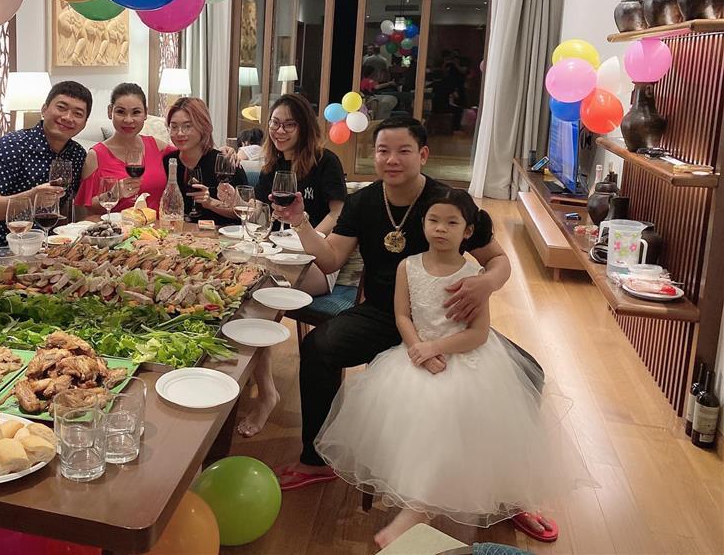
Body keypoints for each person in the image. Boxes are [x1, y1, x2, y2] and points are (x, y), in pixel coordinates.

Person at [269, 114, 558, 541]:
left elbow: (498, 260)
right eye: (382, 150)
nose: (391, 159)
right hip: (384, 313)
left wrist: (485, 284)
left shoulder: (448, 202)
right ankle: (315, 460)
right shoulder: (363, 202)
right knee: (319, 347)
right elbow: (329, 260)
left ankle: (507, 494)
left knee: (528, 373)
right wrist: (299, 222)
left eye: (403, 150)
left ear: (423, 154)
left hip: (444, 321)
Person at [315, 189, 592, 548]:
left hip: (467, 357)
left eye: (451, 223)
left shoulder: (473, 273)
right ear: (422, 224)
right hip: (416, 355)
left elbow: (478, 333)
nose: (440, 229)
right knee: (425, 417)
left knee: (457, 412)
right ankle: (417, 509)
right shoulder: (407, 266)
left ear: (468, 231)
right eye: (433, 221)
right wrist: (418, 349)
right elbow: (402, 315)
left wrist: (435, 348)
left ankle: (422, 512)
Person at [220, 93, 347, 438]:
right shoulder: (271, 166)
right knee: (244, 292)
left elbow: (338, 212)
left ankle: (265, 394)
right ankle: (259, 383)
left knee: (256, 294)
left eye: (289, 124)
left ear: (304, 127)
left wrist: (310, 236)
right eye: (275, 123)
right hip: (279, 254)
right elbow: (261, 215)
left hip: (319, 260)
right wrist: (238, 203)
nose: (280, 130)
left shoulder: (325, 162)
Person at [0, 81, 91, 250]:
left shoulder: (77, 154)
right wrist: (32, 198)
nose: (68, 117)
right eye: (61, 108)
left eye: (78, 113)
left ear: (85, 123)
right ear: (44, 109)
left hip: (48, 246)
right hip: (0, 246)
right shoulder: (12, 145)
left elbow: (81, 203)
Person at [75, 83, 172, 214]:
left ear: (145, 113)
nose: (128, 120)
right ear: (110, 111)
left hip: (157, 226)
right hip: (117, 226)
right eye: (121, 112)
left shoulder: (158, 147)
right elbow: (86, 208)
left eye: (136, 112)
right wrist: (115, 193)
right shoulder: (96, 155)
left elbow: (188, 155)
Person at [162, 97, 248, 226]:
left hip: (222, 235)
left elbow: (246, 212)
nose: (179, 133)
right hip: (179, 234)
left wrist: (211, 203)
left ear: (203, 126)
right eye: (174, 127)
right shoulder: (168, 162)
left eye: (187, 126)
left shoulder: (225, 163)